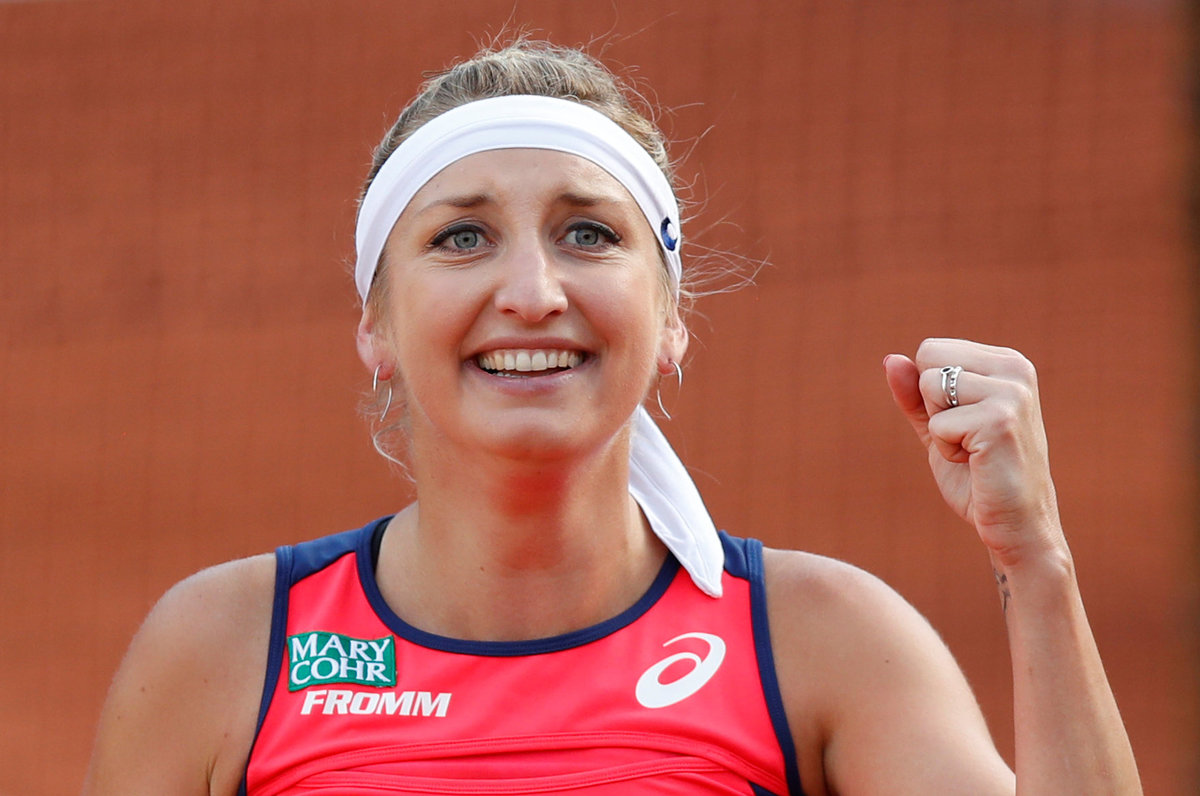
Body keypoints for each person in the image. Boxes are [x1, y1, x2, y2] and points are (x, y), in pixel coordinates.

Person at [82, 40, 1141, 796]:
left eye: (588, 232)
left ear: (671, 320)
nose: (533, 292)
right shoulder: (227, 650)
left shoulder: (823, 644)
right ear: (376, 324)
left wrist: (1035, 559)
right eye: (461, 238)